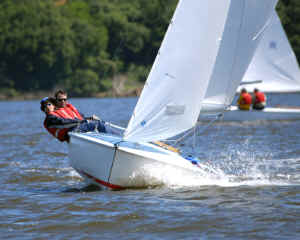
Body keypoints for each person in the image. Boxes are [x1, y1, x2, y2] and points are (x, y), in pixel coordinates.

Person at [40, 97, 107, 142]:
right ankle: (108, 143)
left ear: (54, 105)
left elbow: (75, 119)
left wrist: (89, 118)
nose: (47, 107)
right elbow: (64, 122)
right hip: (72, 133)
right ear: (43, 109)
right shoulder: (50, 119)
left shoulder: (57, 114)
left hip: (75, 131)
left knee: (101, 123)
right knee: (99, 125)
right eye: (45, 106)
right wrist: (84, 121)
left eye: (49, 104)